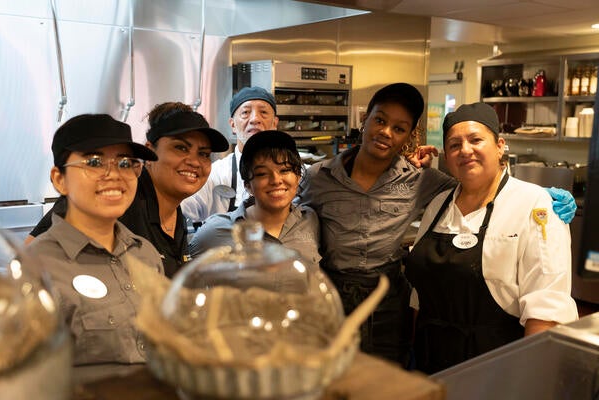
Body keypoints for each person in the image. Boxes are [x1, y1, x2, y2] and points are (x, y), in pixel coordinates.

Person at [404, 102, 578, 374]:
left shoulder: (535, 205)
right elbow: (420, 295)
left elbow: (546, 308)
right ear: (447, 158)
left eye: (476, 140)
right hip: (430, 363)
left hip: (497, 369)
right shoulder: (438, 205)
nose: (465, 150)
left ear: (499, 146)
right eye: (454, 145)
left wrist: (528, 380)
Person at [297, 83, 456, 366]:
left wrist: (542, 198)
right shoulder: (318, 176)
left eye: (399, 128)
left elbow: (474, 187)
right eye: (380, 120)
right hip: (332, 298)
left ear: (408, 136)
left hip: (389, 303)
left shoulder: (419, 180)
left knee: (386, 381)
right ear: (365, 119)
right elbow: (283, 210)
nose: (386, 132)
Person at [26, 103, 229, 278]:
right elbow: (30, 256)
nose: (194, 162)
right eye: (181, 148)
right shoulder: (116, 196)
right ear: (150, 151)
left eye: (204, 154)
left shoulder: (174, 213)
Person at [25, 114, 164, 365]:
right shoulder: (36, 267)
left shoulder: (146, 254)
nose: (114, 174)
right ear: (60, 179)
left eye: (125, 163)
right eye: (94, 162)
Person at [189, 130, 321, 270]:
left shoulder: (311, 221)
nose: (276, 181)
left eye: (284, 170)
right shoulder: (215, 230)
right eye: (262, 174)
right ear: (248, 186)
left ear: (298, 177)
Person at [181, 87, 279, 225]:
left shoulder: (294, 176)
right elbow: (179, 211)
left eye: (263, 112)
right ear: (233, 125)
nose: (255, 119)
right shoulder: (214, 175)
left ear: (275, 123)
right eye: (245, 112)